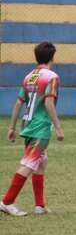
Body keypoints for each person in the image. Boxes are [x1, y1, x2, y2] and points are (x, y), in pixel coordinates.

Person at [1, 42, 64, 217]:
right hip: (40, 128)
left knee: (41, 163)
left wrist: (12, 127)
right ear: (52, 57)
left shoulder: (29, 76)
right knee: (28, 165)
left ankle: (40, 206)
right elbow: (49, 102)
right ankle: (7, 202)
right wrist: (58, 127)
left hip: (27, 125)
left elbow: (18, 102)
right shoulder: (52, 76)